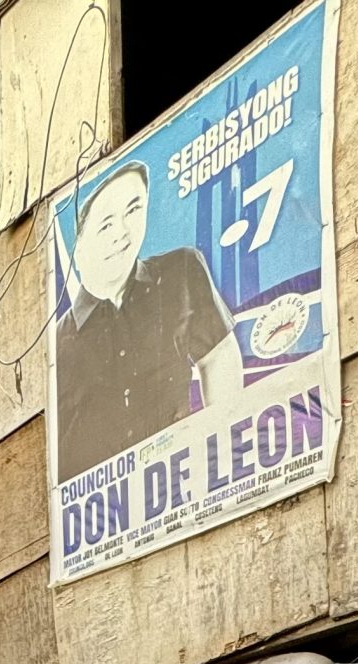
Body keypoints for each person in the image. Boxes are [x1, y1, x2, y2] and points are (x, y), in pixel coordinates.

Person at [54, 160, 243, 481]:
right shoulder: (59, 345)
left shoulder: (180, 271)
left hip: (186, 484)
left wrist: (224, 456)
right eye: (106, 224)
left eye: (134, 210)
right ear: (79, 247)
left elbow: (219, 358)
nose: (123, 233)